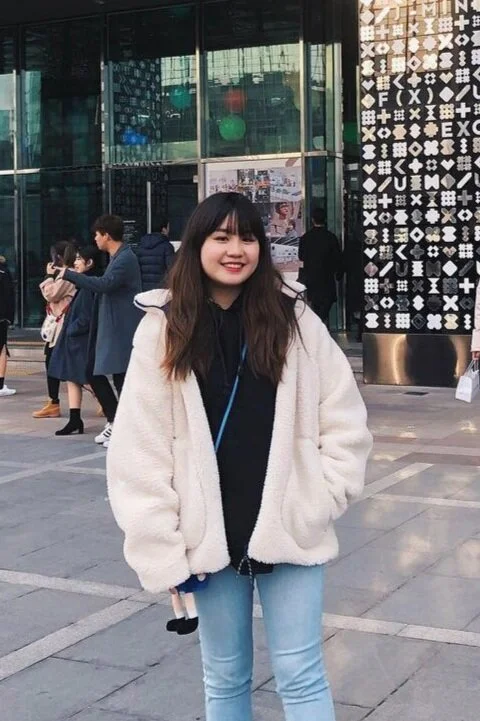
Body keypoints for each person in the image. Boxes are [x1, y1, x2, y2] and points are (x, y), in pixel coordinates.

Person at [106, 192, 372, 721]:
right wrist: (160, 543)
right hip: (208, 535)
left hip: (289, 526)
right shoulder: (164, 326)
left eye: (248, 238)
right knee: (225, 677)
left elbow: (343, 416)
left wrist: (320, 497)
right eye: (222, 237)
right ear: (197, 244)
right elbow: (140, 448)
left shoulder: (294, 318)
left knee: (301, 673)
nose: (236, 250)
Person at [58, 214, 142, 448]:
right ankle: (117, 422)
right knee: (101, 372)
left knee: (116, 377)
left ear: (106, 235)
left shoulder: (125, 258)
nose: (95, 239)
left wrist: (71, 275)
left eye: (97, 234)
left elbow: (105, 285)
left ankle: (121, 425)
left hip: (121, 328)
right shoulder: (119, 257)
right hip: (113, 327)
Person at [49, 246, 102, 436]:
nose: (76, 262)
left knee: (87, 378)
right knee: (72, 377)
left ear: (90, 263)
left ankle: (112, 412)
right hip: (75, 339)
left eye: (80, 259)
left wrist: (72, 329)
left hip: (80, 340)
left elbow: (86, 317)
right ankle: (74, 418)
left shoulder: (89, 286)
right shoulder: (85, 284)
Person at [33, 242, 76, 418]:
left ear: (57, 257)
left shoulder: (67, 275)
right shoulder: (66, 274)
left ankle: (54, 403)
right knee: (54, 363)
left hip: (62, 328)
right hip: (57, 328)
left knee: (65, 366)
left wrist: (49, 276)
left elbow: (51, 294)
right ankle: (53, 402)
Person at [298, 208, 344, 327]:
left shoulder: (305, 238)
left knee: (315, 304)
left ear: (312, 220)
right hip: (327, 278)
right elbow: (338, 258)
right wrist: (339, 273)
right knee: (326, 304)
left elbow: (301, 257)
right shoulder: (331, 237)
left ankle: (318, 325)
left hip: (311, 278)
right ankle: (320, 325)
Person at [136, 215, 175, 291]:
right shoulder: (167, 247)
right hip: (161, 290)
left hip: (144, 290)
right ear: (164, 230)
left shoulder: (141, 245)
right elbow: (172, 269)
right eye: (168, 227)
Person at [0, 255, 16, 397]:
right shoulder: (3, 271)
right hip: (1, 316)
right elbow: (9, 295)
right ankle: (0, 385)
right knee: (2, 348)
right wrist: (10, 317)